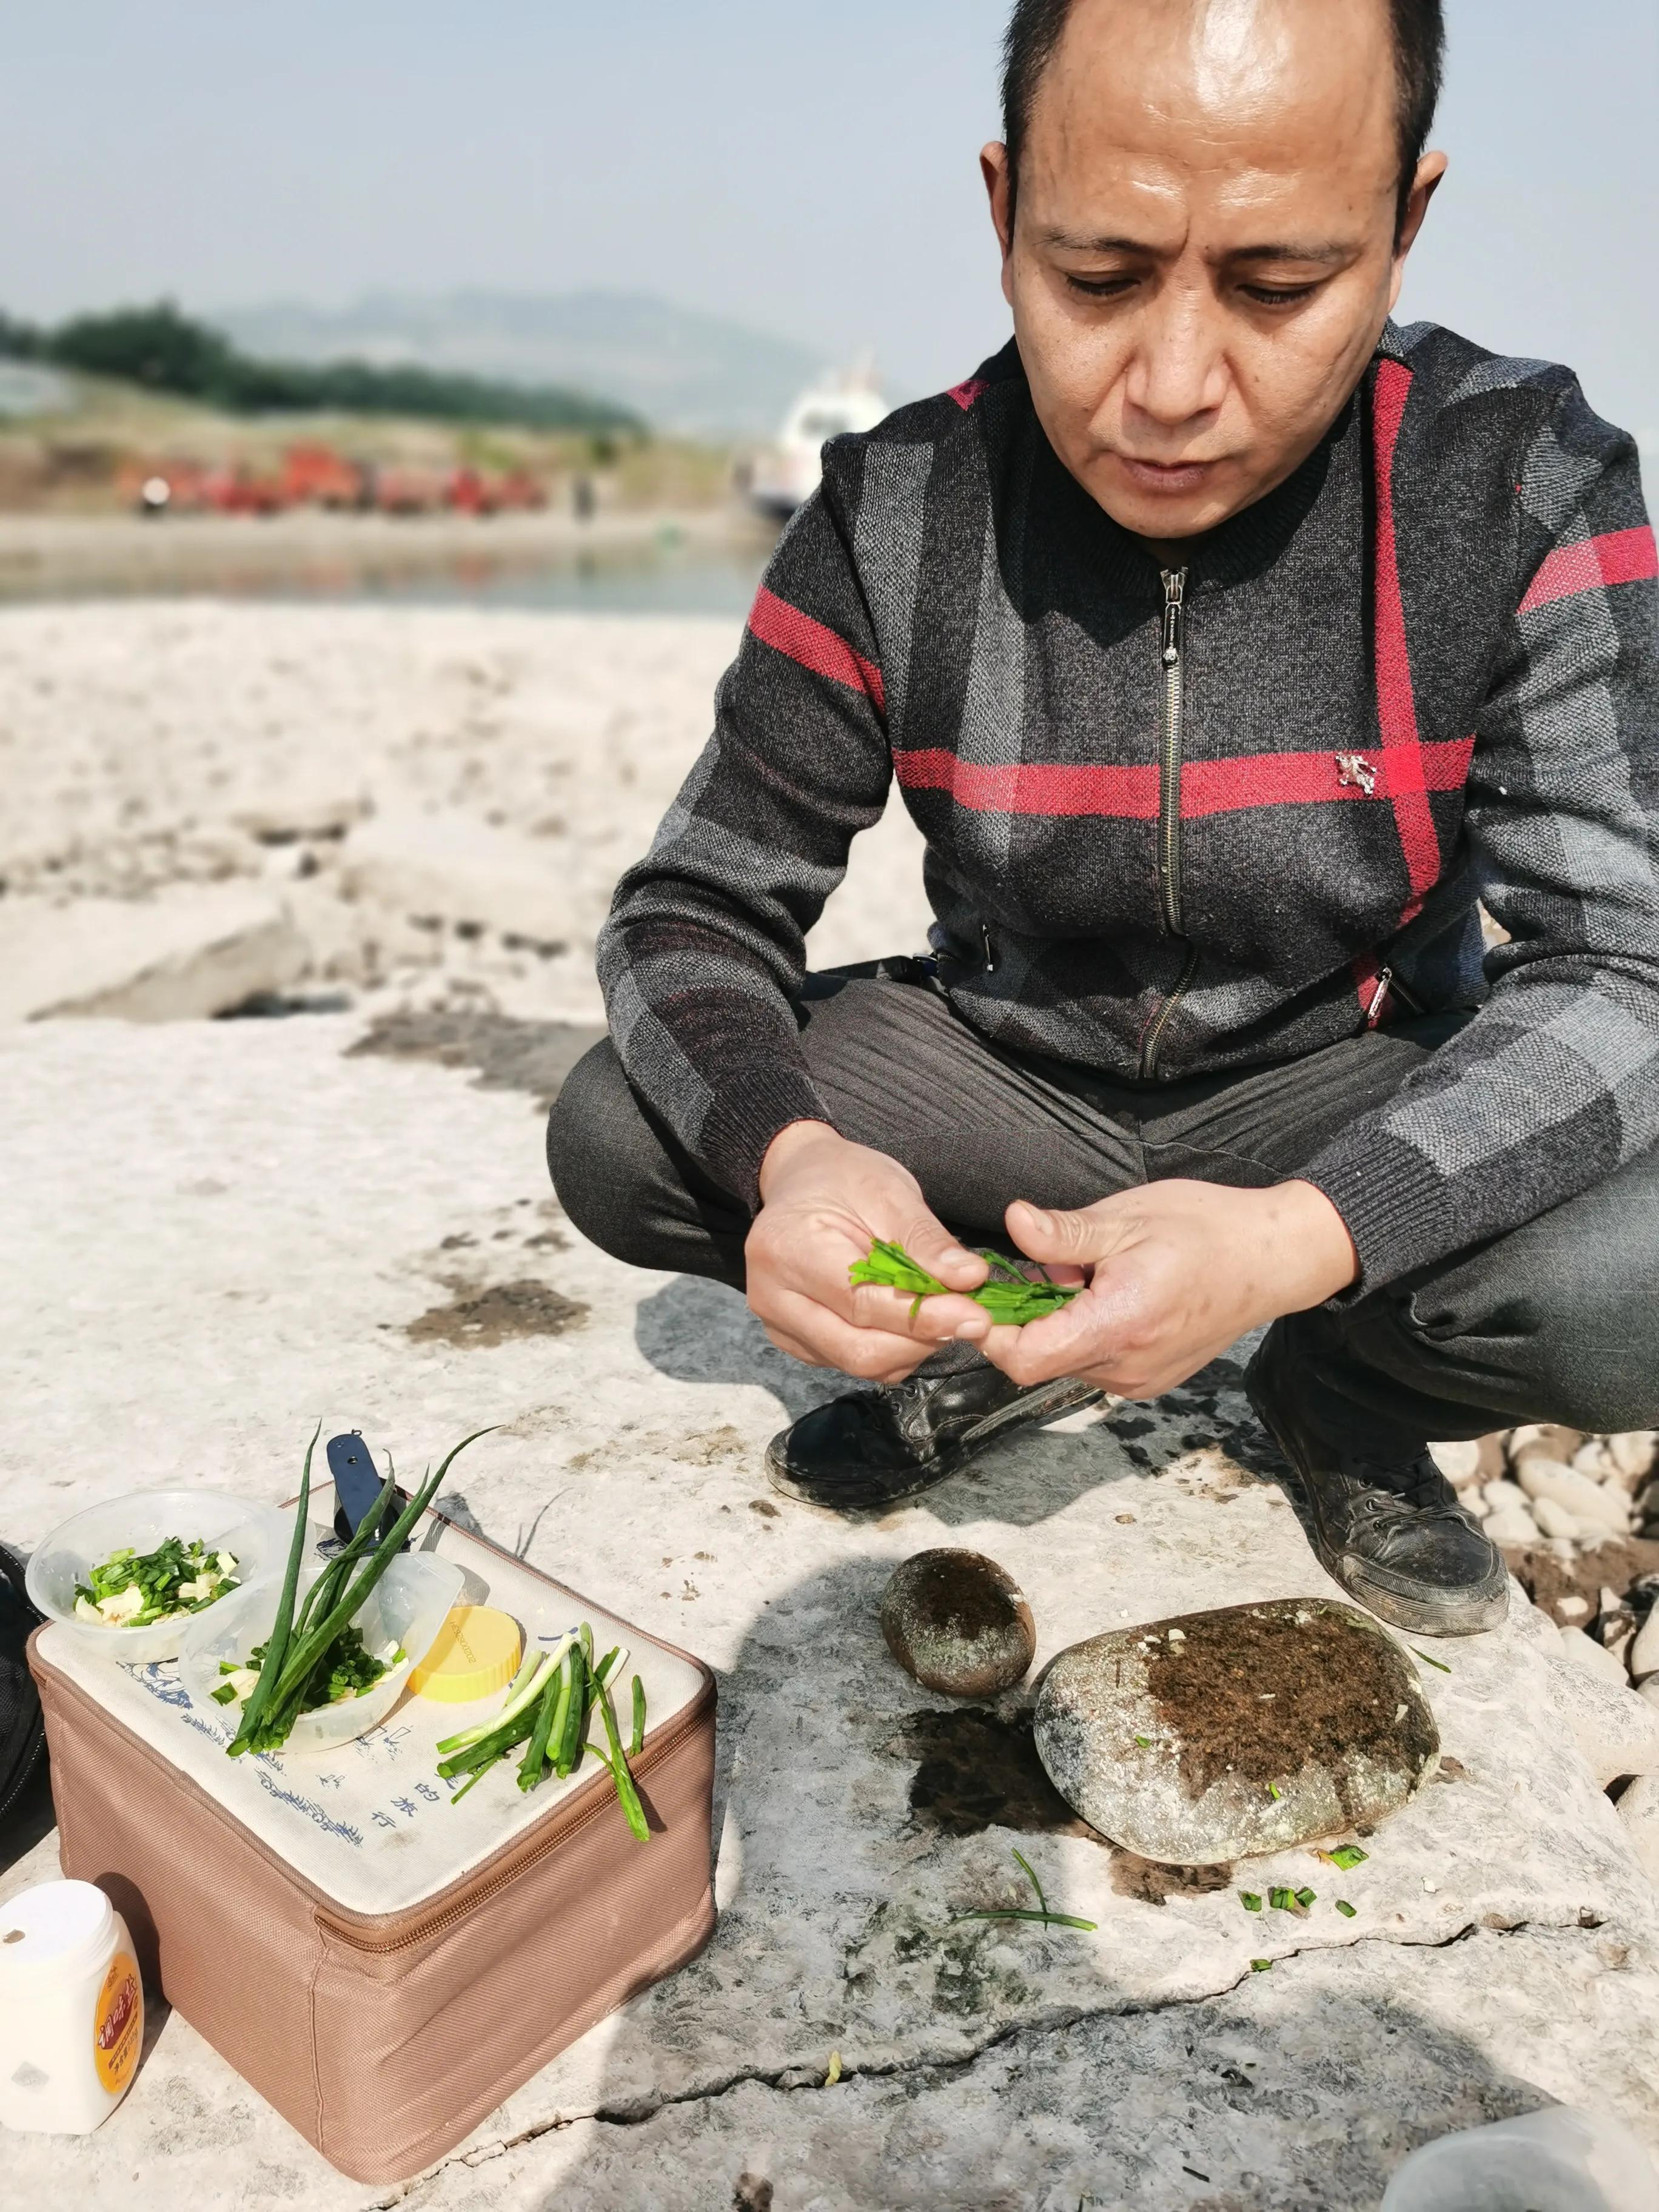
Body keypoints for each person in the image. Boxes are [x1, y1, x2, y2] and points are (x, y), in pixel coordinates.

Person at [549, 0, 1659, 1639]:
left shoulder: (1520, 486)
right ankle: (1003, 1332)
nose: (1174, 386)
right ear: (1003, 210)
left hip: (1337, 1083)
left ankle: (1334, 1392)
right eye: (1097, 279)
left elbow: (1625, 958)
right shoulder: (894, 511)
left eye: (1280, 287)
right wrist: (795, 1158)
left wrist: (1302, 1238)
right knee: (625, 1128)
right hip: (1003, 1081)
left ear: (1405, 225)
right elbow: (689, 914)